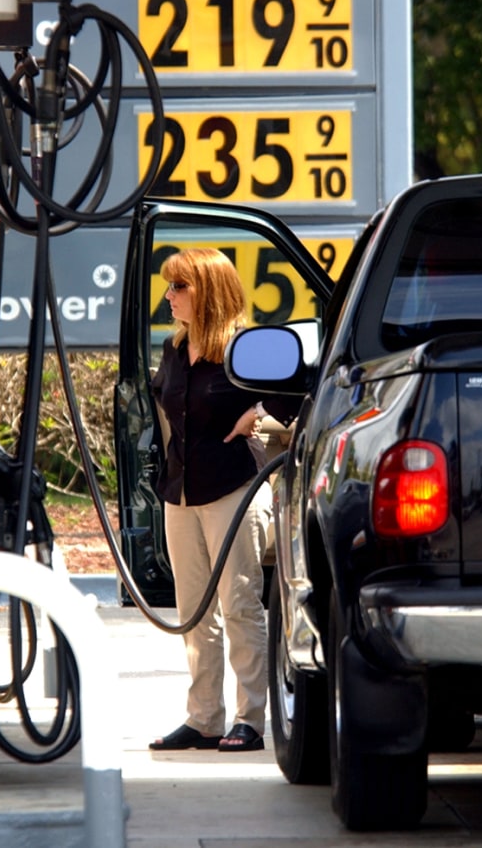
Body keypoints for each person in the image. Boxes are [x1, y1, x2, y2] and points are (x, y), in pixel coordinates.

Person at [148, 248, 297, 753]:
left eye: (179, 286)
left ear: (207, 291)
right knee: (193, 610)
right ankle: (203, 717)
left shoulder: (244, 349)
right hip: (181, 493)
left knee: (238, 603)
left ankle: (249, 719)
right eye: (169, 286)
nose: (169, 296)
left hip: (233, 488)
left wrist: (258, 413)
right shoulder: (174, 349)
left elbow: (296, 394)